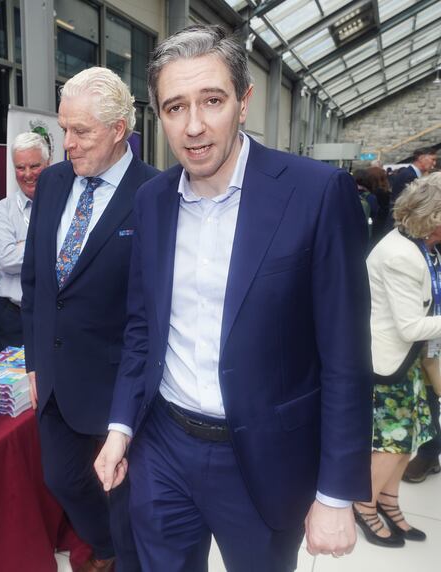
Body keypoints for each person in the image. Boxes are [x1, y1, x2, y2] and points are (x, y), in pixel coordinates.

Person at [94, 25, 372, 572]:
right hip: (164, 446)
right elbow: (142, 328)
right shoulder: (151, 201)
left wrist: (337, 492)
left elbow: (345, 355)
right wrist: (120, 428)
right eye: (175, 107)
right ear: (159, 116)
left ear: (243, 102)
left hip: (264, 458)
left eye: (212, 101)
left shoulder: (315, 194)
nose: (193, 126)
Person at [21, 66, 158, 572]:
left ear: (119, 129)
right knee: (62, 479)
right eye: (63, 129)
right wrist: (34, 361)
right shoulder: (55, 182)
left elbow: (155, 307)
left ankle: (123, 557)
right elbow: (37, 279)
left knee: (124, 496)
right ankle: (105, 547)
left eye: (81, 132)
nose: (67, 144)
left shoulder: (155, 194)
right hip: (55, 379)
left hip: (118, 385)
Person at [358, 173, 441, 545]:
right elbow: (409, 326)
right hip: (388, 364)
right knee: (390, 444)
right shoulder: (399, 255)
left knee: (408, 440)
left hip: (410, 362)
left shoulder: (422, 245)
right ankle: (364, 504)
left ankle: (389, 500)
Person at [0, 132, 50, 350]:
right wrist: (48, 244)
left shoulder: (65, 205)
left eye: (34, 166)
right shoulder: (1, 211)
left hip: (55, 316)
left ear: (48, 164)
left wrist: (23, 245)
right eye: (20, 168)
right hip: (16, 317)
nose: (28, 174)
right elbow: (7, 259)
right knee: (14, 381)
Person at [388, 147, 437, 227]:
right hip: (400, 222)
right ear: (421, 158)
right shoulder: (409, 175)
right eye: (432, 159)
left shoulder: (410, 173)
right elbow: (411, 204)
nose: (434, 163)